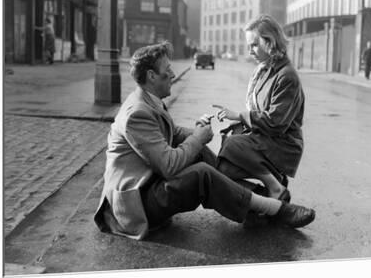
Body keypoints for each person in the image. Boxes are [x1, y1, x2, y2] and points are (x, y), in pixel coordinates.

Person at [93, 41, 315, 240]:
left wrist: (197, 133)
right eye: (167, 69)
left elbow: (171, 132)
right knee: (201, 174)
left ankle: (258, 203)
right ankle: (276, 208)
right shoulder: (136, 114)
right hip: (135, 205)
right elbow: (169, 166)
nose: (172, 74)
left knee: (200, 154)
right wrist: (198, 138)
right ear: (152, 76)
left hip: (149, 185)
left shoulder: (148, 99)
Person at [214, 15, 305, 203]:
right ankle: (268, 195)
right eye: (249, 46)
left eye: (254, 45)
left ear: (270, 42)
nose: (250, 51)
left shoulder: (287, 76)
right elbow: (258, 111)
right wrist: (238, 122)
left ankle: (274, 188)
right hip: (265, 138)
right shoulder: (263, 70)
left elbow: (275, 123)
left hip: (283, 143)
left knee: (232, 145)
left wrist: (240, 116)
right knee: (223, 169)